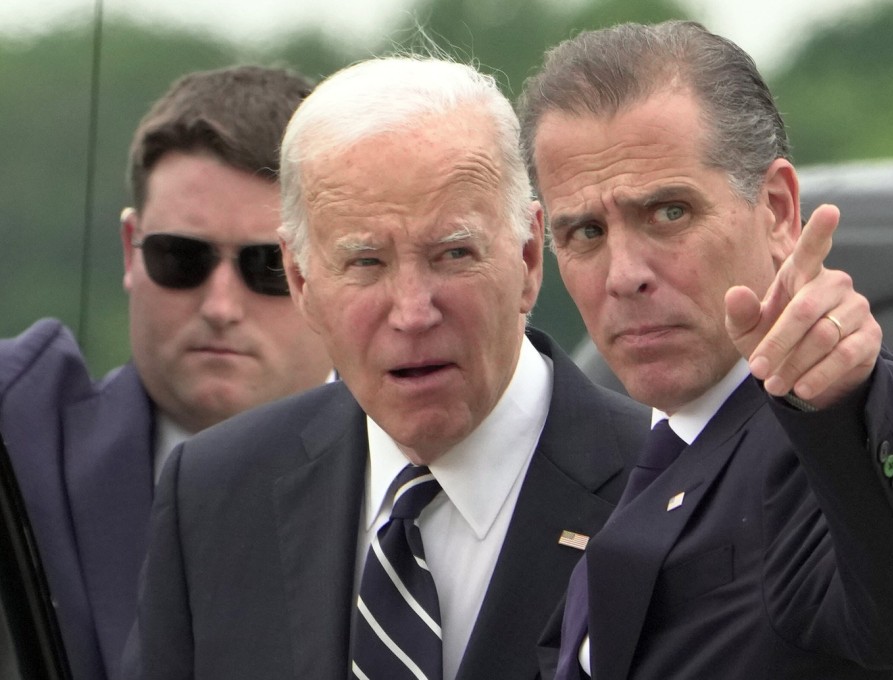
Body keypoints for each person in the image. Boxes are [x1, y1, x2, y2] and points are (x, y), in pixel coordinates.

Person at [120, 55, 648, 680]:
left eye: (453, 254)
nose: (413, 312)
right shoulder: (214, 494)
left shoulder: (664, 490)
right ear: (300, 280)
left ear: (529, 256)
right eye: (366, 262)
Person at [516, 20, 893, 679]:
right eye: (586, 232)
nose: (623, 274)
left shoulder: (831, 434)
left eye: (669, 212)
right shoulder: (623, 464)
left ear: (776, 210)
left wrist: (841, 406)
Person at [0, 65, 334, 680]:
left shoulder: (420, 474)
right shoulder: (22, 436)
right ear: (130, 248)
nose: (221, 306)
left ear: (330, 267)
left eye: (268, 266)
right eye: (181, 256)